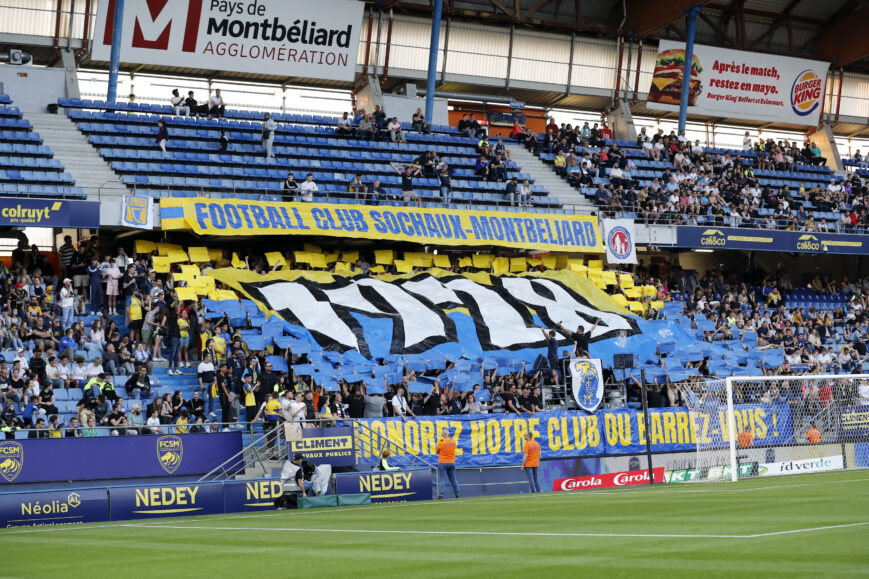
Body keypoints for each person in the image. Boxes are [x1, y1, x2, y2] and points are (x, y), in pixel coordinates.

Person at [436, 428, 460, 499]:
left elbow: (437, 452)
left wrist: (441, 442)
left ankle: (441, 494)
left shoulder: (441, 443)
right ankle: (457, 494)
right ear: (449, 434)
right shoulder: (453, 442)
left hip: (443, 462)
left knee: (442, 480)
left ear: (442, 435)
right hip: (452, 462)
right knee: (453, 480)